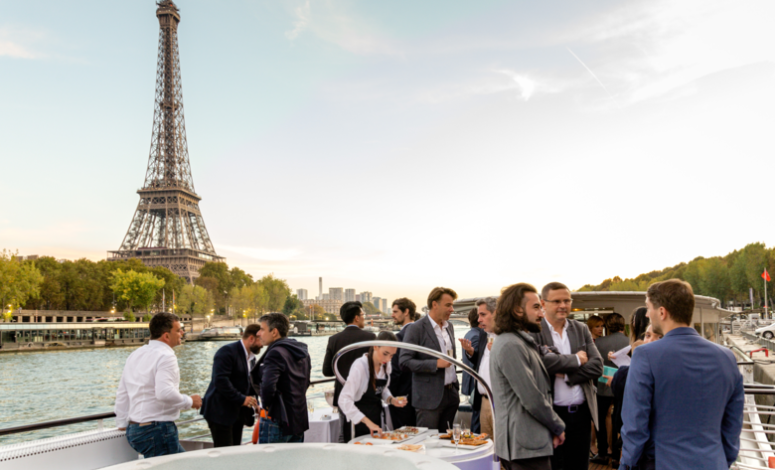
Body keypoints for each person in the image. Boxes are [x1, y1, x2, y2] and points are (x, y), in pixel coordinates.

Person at [619, 280, 745, 470]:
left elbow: (635, 425)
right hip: (713, 463)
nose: (646, 314)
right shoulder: (727, 357)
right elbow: (733, 424)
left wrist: (627, 465)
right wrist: (721, 461)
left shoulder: (645, 355)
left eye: (648, 307)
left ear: (662, 312)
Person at [491, 283, 565, 470]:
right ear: (517, 310)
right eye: (536, 307)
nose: (542, 313)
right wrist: (558, 426)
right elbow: (532, 398)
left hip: (527, 444)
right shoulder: (511, 345)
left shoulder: (518, 342)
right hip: (525, 447)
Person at [533, 282, 603, 470]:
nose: (563, 305)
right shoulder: (535, 332)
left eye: (566, 300)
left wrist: (566, 374)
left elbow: (597, 366)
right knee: (553, 466)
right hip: (551, 414)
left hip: (581, 415)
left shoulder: (580, 329)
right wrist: (576, 360)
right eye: (556, 301)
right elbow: (540, 364)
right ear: (543, 303)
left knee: (579, 466)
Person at [115, 312, 202, 458]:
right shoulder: (166, 356)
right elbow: (164, 393)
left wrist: (122, 422)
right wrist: (190, 401)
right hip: (157, 430)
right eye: (178, 330)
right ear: (166, 336)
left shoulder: (136, 354)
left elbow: (123, 392)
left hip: (134, 430)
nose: (182, 332)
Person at [399, 287, 460, 433]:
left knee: (447, 442)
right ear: (434, 304)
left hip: (451, 395)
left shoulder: (449, 326)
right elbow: (404, 361)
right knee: (427, 443)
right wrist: (435, 364)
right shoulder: (416, 328)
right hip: (428, 399)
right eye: (448, 305)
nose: (452, 309)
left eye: (452, 305)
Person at [252, 312, 311, 444]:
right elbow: (306, 382)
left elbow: (268, 386)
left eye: (262, 329)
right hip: (298, 417)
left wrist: (266, 407)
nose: (258, 333)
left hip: (277, 419)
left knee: (272, 463)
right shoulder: (301, 351)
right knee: (294, 462)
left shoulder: (275, 353)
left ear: (274, 332)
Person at [609, 323, 662, 468]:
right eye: (647, 335)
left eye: (655, 336)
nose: (648, 341)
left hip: (649, 455)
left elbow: (636, 423)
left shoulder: (639, 372)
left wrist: (626, 464)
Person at [322, 301, 376, 442]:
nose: (364, 318)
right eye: (363, 315)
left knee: (344, 434)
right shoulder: (370, 338)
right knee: (369, 435)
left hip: (343, 394)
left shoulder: (334, 339)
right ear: (357, 318)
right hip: (366, 395)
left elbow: (327, 371)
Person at [200, 323, 262, 447]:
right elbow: (220, 381)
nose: (263, 344)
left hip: (236, 413)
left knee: (234, 451)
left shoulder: (252, 358)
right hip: (220, 412)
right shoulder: (227, 352)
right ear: (251, 338)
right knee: (225, 453)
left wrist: (257, 404)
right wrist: (242, 399)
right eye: (260, 340)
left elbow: (249, 385)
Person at [339, 331, 407, 438]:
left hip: (376, 419)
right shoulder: (360, 366)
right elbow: (344, 399)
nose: (388, 359)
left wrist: (392, 400)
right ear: (375, 346)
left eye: (392, 356)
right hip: (358, 423)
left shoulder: (386, 365)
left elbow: (382, 390)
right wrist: (367, 422)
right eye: (385, 354)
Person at [590, 313, 629, 466]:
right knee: (617, 419)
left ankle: (603, 453)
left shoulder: (598, 343)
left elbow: (594, 365)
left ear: (607, 325)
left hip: (602, 385)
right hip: (623, 387)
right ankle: (615, 456)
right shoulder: (630, 342)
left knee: (600, 418)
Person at [460, 297, 497, 437]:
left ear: (496, 313)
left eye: (483, 315)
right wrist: (471, 353)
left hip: (500, 404)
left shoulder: (508, 338)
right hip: (483, 403)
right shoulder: (482, 335)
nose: (479, 319)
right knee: (486, 447)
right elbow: (481, 362)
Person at [388, 297, 418, 429]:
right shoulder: (422, 333)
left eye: (395, 311)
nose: (392, 315)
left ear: (406, 312)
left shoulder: (399, 338)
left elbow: (395, 370)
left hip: (403, 397)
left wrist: (389, 395)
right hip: (423, 395)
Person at [460, 306, 487, 433]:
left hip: (469, 382)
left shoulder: (469, 333)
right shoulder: (478, 335)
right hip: (475, 385)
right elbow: (478, 359)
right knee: (477, 421)